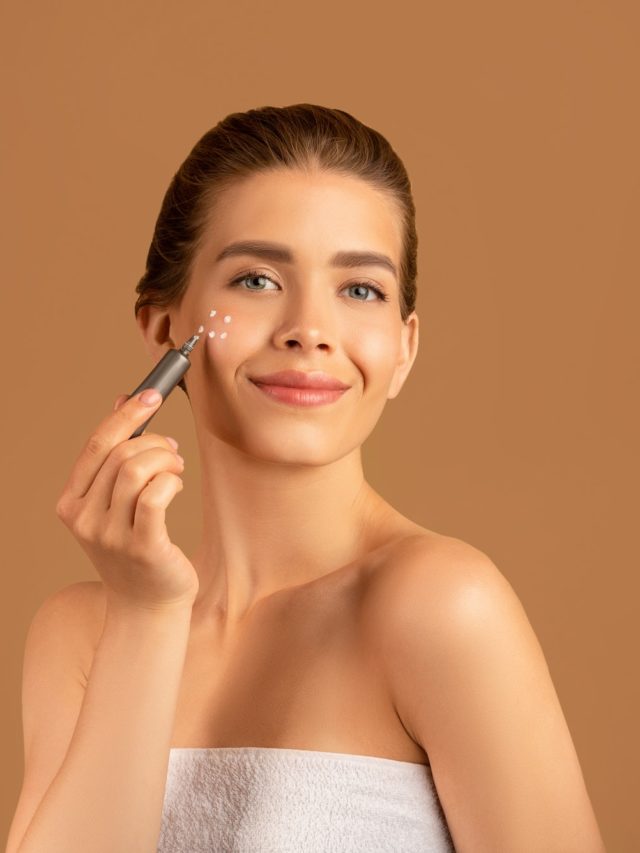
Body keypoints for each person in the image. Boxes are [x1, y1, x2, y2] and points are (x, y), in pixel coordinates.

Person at [7, 104, 605, 852]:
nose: (309, 328)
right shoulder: (83, 634)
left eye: (361, 290)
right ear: (164, 322)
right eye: (256, 279)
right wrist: (145, 618)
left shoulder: (442, 607)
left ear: (404, 348)